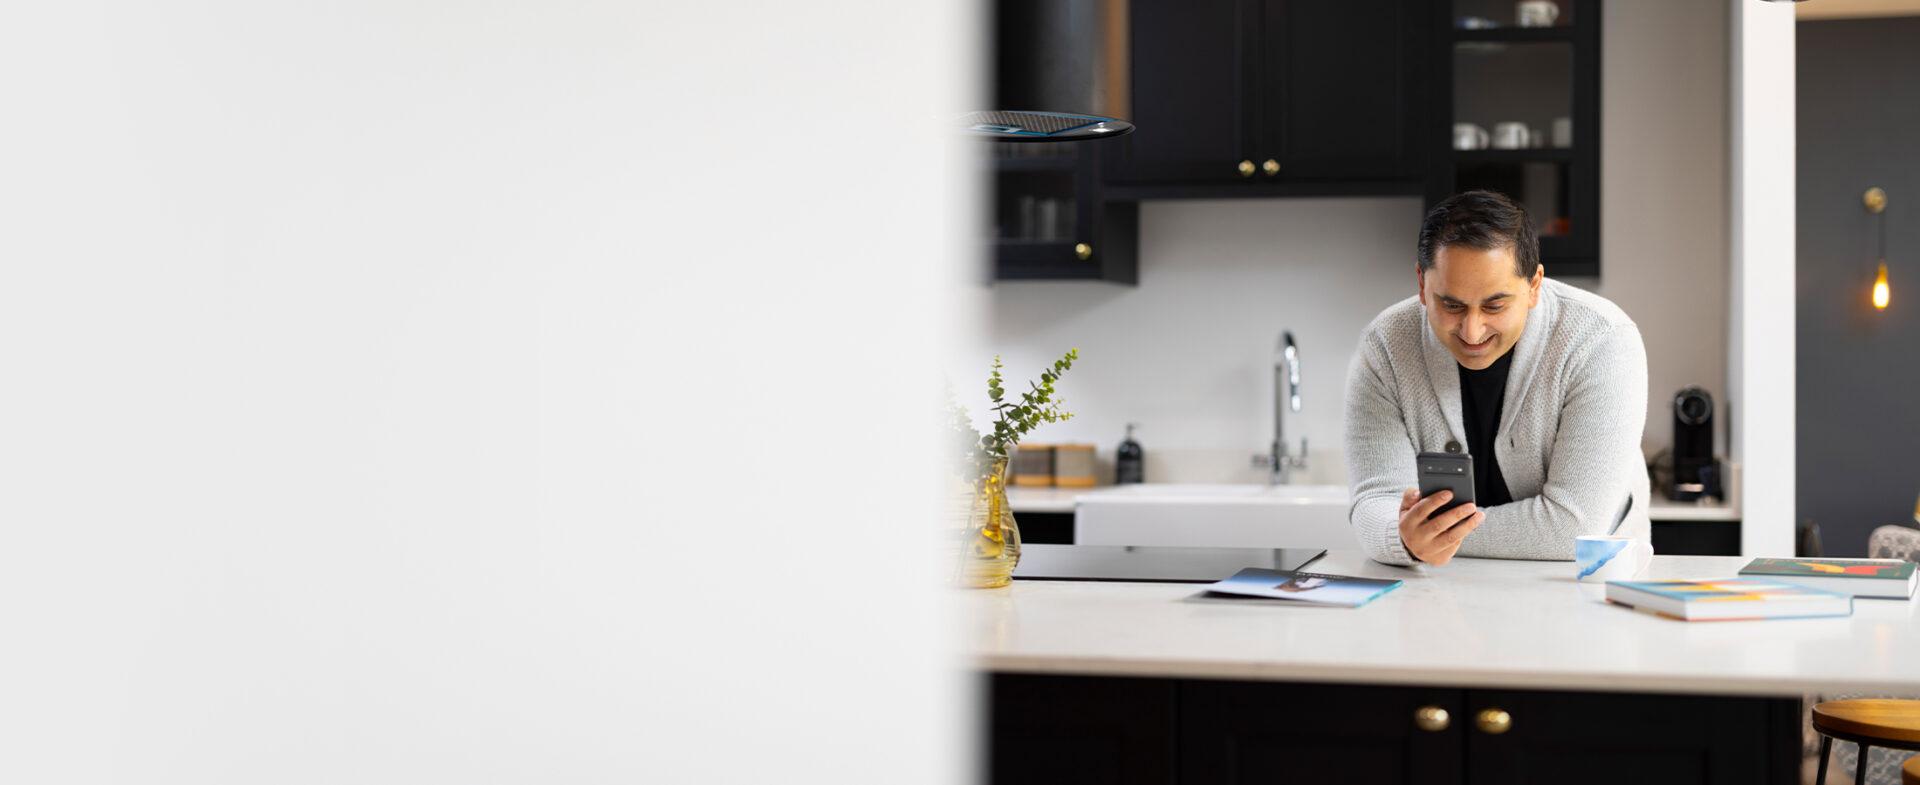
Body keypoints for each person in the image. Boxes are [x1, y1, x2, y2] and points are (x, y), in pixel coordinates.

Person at [1344, 190, 1650, 566]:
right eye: (1451, 305)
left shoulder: (1602, 339)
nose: (1472, 332)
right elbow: (1375, 502)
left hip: (1581, 586)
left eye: (1495, 305)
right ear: (1422, 284)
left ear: (1534, 285)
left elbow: (1574, 527)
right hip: (1441, 591)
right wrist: (1402, 537)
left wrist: (1422, 536)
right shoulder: (1385, 346)